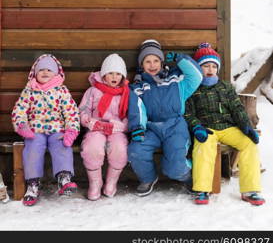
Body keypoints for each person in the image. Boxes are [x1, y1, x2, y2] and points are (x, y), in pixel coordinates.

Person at [185, 42, 265, 206]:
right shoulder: (193, 88)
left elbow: (237, 108)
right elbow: (187, 112)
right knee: (203, 145)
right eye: (206, 66)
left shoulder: (225, 87)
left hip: (228, 127)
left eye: (213, 66)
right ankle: (202, 189)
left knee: (249, 143)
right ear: (199, 68)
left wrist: (246, 126)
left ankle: (251, 190)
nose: (210, 70)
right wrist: (196, 126)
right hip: (206, 128)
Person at [127, 39, 203, 196]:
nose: (152, 65)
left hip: (175, 126)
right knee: (136, 149)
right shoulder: (138, 87)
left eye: (156, 60)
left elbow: (196, 76)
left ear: (161, 62)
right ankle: (148, 178)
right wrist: (137, 128)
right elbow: (137, 109)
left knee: (175, 166)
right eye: (147, 61)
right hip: (151, 128)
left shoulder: (176, 80)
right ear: (142, 64)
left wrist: (181, 59)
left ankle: (185, 175)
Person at [11, 54, 80, 206]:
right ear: (34, 73)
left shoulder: (61, 91)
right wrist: (22, 125)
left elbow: (71, 112)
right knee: (32, 148)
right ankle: (33, 184)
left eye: (49, 70)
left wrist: (71, 130)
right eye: (41, 69)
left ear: (56, 73)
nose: (45, 72)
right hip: (35, 130)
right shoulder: (29, 91)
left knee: (62, 145)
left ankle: (64, 178)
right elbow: (19, 110)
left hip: (58, 129)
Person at [79, 53, 129, 200]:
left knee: (120, 149)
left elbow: (130, 114)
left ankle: (111, 182)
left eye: (118, 74)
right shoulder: (93, 91)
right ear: (103, 75)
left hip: (116, 129)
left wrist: (122, 126)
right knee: (91, 148)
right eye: (111, 73)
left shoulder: (125, 93)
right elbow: (84, 108)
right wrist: (87, 119)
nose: (114, 77)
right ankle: (95, 182)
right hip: (96, 127)